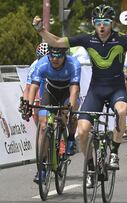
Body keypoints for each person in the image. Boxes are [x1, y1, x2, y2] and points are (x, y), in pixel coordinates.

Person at [32, 4, 127, 187]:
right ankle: (91, 167)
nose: (102, 26)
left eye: (106, 22)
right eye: (98, 22)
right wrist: (41, 30)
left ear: (112, 23)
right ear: (94, 23)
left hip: (116, 88)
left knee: (123, 110)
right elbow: (58, 42)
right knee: (83, 131)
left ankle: (114, 152)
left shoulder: (122, 40)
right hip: (96, 90)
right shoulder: (87, 39)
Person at [22, 47, 81, 183]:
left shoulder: (73, 64)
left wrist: (70, 108)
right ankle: (41, 168)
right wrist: (29, 104)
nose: (54, 59)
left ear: (64, 56)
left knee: (70, 111)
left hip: (68, 91)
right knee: (43, 126)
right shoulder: (42, 63)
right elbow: (34, 86)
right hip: (51, 92)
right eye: (52, 56)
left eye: (58, 57)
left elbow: (74, 89)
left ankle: (71, 138)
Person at [21, 42, 49, 124]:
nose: (44, 61)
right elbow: (28, 88)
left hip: (54, 86)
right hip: (41, 86)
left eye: (46, 58)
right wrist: (26, 106)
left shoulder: (56, 64)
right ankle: (40, 131)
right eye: (41, 58)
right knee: (36, 107)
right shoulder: (34, 66)